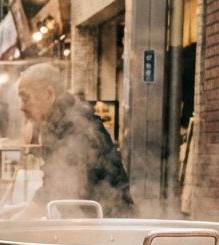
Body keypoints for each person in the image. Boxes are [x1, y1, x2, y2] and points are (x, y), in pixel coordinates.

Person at [13, 63, 133, 217]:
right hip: (89, 223)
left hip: (110, 227)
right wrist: (15, 212)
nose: (21, 107)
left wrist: (17, 221)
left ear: (49, 94)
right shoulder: (55, 122)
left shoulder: (75, 125)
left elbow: (57, 186)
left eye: (25, 98)